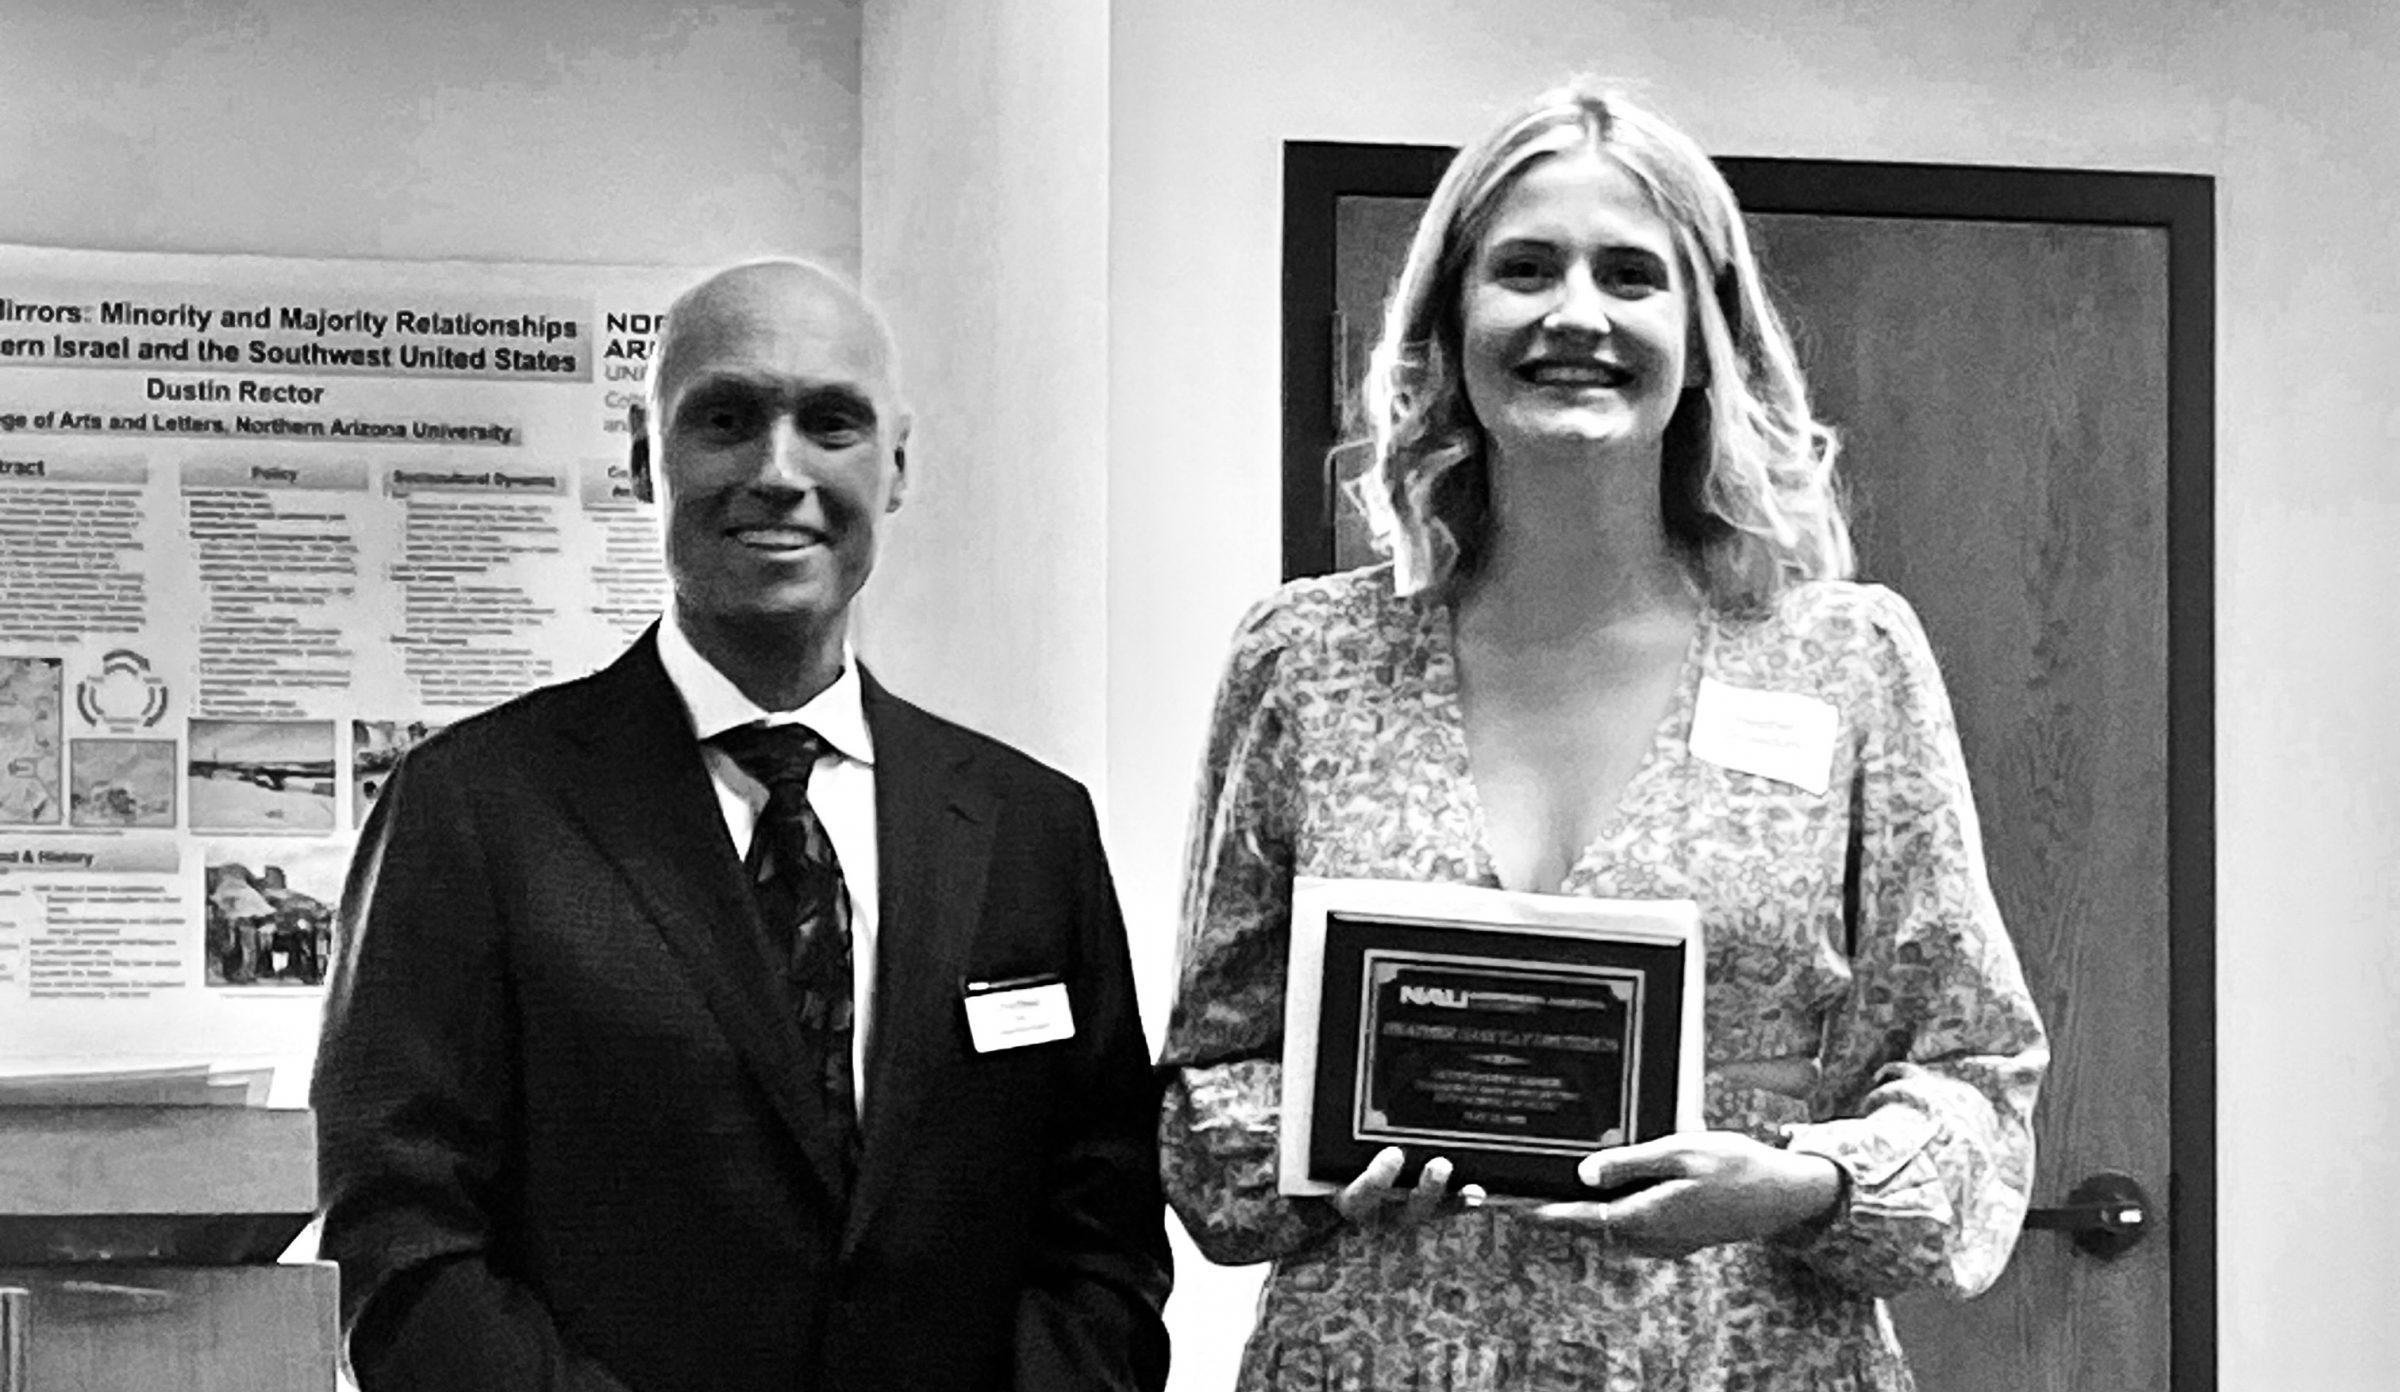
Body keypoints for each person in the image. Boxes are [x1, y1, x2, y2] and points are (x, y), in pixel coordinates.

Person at [1157, 81, 2047, 1390]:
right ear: (1452, 318)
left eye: (1632, 275)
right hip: (1381, 1356)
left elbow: (1978, 1080)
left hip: (1741, 1359)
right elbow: (1207, 1088)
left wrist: (1796, 1183)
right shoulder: (1306, 661)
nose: (1577, 314)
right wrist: (1336, 1136)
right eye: (1525, 269)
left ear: (1705, 334)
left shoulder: (1845, 662)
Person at [315, 259, 1172, 1392]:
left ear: (897, 464)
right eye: (726, 420)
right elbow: (402, 1244)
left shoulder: (1029, 828)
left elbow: (1103, 1236)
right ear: (643, 456)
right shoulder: (470, 810)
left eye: (831, 424)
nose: (779, 473)